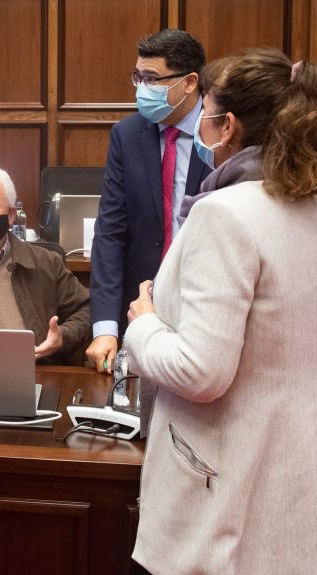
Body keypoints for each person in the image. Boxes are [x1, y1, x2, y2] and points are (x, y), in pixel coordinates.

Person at [124, 48, 317, 574]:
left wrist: (143, 326)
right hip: (306, 490)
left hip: (229, 501)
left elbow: (200, 371)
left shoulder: (224, 213)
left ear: (227, 126)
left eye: (205, 111)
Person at [87, 29, 212, 374]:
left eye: (153, 79)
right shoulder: (127, 135)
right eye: (138, 77)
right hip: (138, 310)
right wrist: (105, 329)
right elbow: (110, 232)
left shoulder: (221, 132)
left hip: (203, 307)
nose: (142, 89)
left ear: (189, 82)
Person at [0, 165, 90, 362]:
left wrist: (62, 336)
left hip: (33, 373)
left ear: (11, 215)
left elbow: (88, 309)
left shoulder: (46, 264)